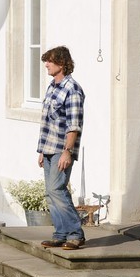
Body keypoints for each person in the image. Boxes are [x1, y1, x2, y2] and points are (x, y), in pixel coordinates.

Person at [36, 45, 85, 250]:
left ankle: (75, 233)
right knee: (50, 192)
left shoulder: (72, 89)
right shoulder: (52, 87)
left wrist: (67, 151)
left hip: (61, 149)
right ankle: (61, 233)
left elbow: (74, 125)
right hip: (48, 147)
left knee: (57, 189)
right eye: (46, 60)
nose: (46, 65)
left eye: (50, 61)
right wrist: (40, 150)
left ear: (62, 63)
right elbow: (46, 121)